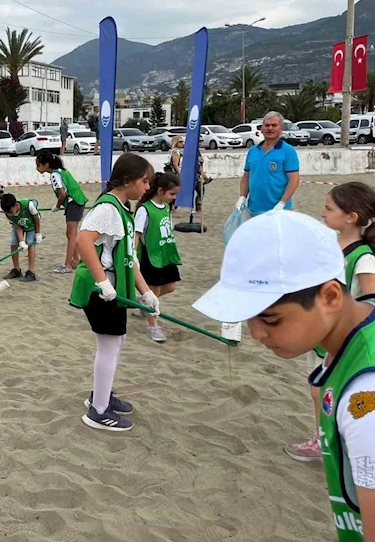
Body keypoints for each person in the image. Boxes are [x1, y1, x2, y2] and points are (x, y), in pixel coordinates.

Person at [193, 211, 375, 542]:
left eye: (272, 320)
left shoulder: (366, 398)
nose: (257, 333)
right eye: (249, 318)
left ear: (330, 296)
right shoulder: (356, 333)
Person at [70, 153, 161, 432]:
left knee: (116, 342)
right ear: (127, 180)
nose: (147, 188)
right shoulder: (108, 207)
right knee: (109, 346)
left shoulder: (122, 208)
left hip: (112, 286)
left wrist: (146, 292)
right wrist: (102, 282)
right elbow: (82, 241)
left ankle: (101, 394)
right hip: (101, 290)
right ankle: (98, 411)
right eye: (144, 181)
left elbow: (129, 257)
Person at [285, 181, 375, 462]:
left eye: (329, 208)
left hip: (345, 343)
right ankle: (324, 440)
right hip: (321, 334)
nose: (323, 214)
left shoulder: (363, 258)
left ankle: (332, 444)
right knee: (317, 391)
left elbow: (370, 303)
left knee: (330, 394)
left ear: (352, 217)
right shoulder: (332, 244)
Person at [134, 172, 182, 343]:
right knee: (154, 290)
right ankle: (153, 326)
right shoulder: (144, 209)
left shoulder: (167, 208)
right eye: (172, 193)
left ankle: (142, 302)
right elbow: (137, 234)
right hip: (150, 256)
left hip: (165, 253)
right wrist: (133, 253)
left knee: (170, 287)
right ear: (160, 190)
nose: (174, 197)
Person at [237, 111, 300, 217]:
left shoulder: (288, 151)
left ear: (281, 129)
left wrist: (282, 203)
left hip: (278, 210)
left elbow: (294, 180)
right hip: (254, 209)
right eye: (266, 125)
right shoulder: (253, 151)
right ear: (261, 129)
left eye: (274, 125)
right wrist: (242, 197)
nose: (270, 128)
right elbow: (246, 177)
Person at [35, 150, 88, 274]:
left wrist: (57, 206)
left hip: (73, 202)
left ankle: (68, 265)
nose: (37, 168)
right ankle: (75, 260)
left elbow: (62, 194)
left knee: (71, 234)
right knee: (71, 234)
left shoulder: (54, 175)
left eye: (38, 165)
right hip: (76, 201)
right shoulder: (61, 171)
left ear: (46, 165)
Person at [0, 193, 43, 282]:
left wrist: (38, 234)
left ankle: (31, 272)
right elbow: (17, 227)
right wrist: (21, 241)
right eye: (7, 213)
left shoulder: (28, 205)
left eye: (11, 212)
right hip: (19, 226)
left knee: (30, 242)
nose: (10, 214)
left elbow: (37, 219)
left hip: (31, 226)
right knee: (13, 243)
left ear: (16, 205)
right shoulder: (7, 212)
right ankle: (16, 270)